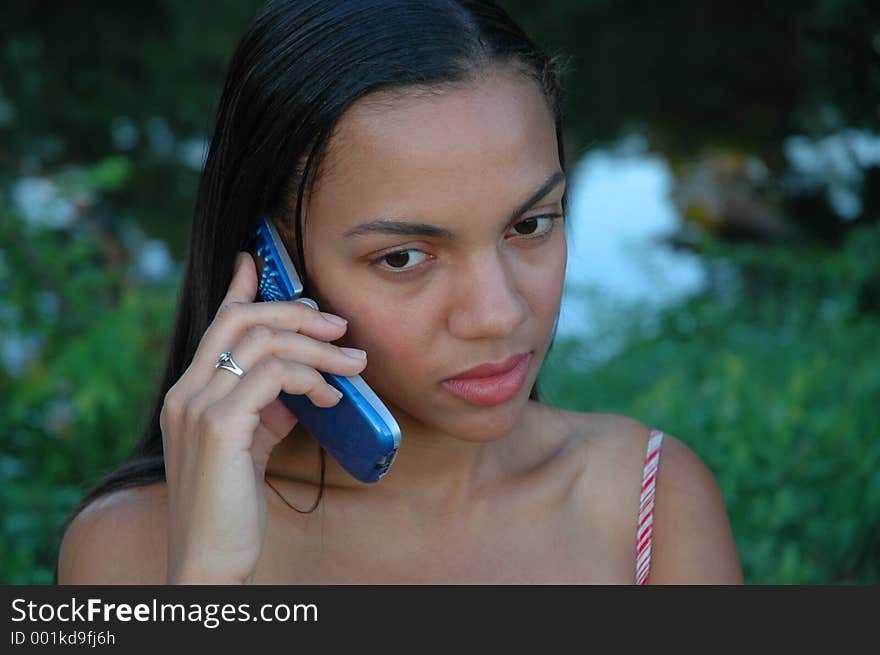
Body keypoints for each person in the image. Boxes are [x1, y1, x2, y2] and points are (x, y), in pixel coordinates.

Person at [56, 0, 742, 584]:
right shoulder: (137, 548)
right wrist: (209, 580)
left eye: (529, 224)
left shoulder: (649, 505)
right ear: (275, 267)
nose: (498, 313)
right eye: (403, 256)